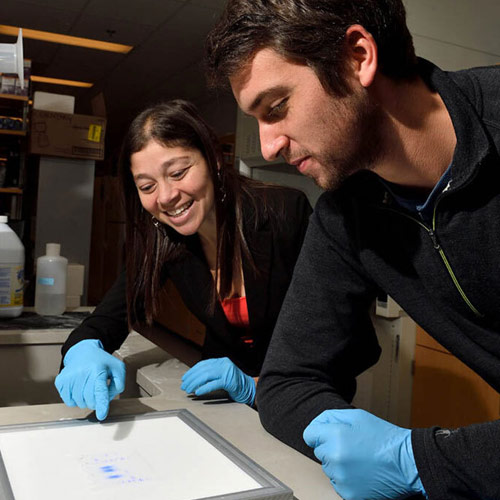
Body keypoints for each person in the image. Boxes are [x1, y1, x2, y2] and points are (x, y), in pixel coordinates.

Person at [205, 1, 500, 499]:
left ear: (358, 56)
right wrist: (341, 437)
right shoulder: (347, 215)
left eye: (276, 108)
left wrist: (420, 460)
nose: (270, 144)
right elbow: (287, 383)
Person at [55, 99, 312, 422]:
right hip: (225, 407)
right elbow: (106, 319)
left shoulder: (284, 213)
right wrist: (81, 352)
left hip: (300, 402)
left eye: (177, 173)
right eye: (147, 186)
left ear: (214, 160)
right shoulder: (162, 238)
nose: (165, 196)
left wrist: (255, 386)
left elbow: (340, 341)